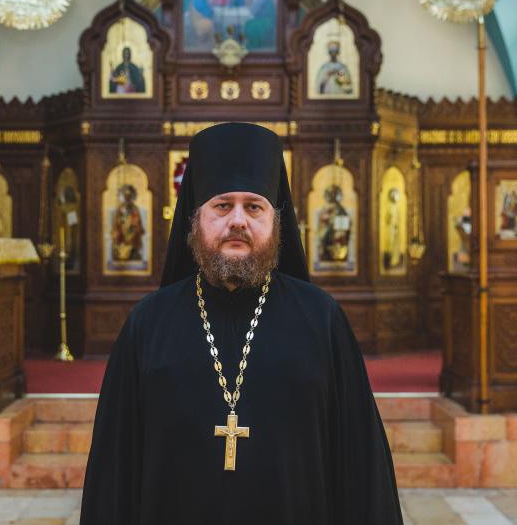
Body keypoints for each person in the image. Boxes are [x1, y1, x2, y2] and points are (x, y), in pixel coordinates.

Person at [80, 122, 403, 524]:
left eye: (253, 207)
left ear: (275, 221)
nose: (237, 221)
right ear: (195, 218)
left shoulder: (321, 320)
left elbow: (362, 466)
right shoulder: (148, 324)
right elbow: (114, 471)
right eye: (222, 206)